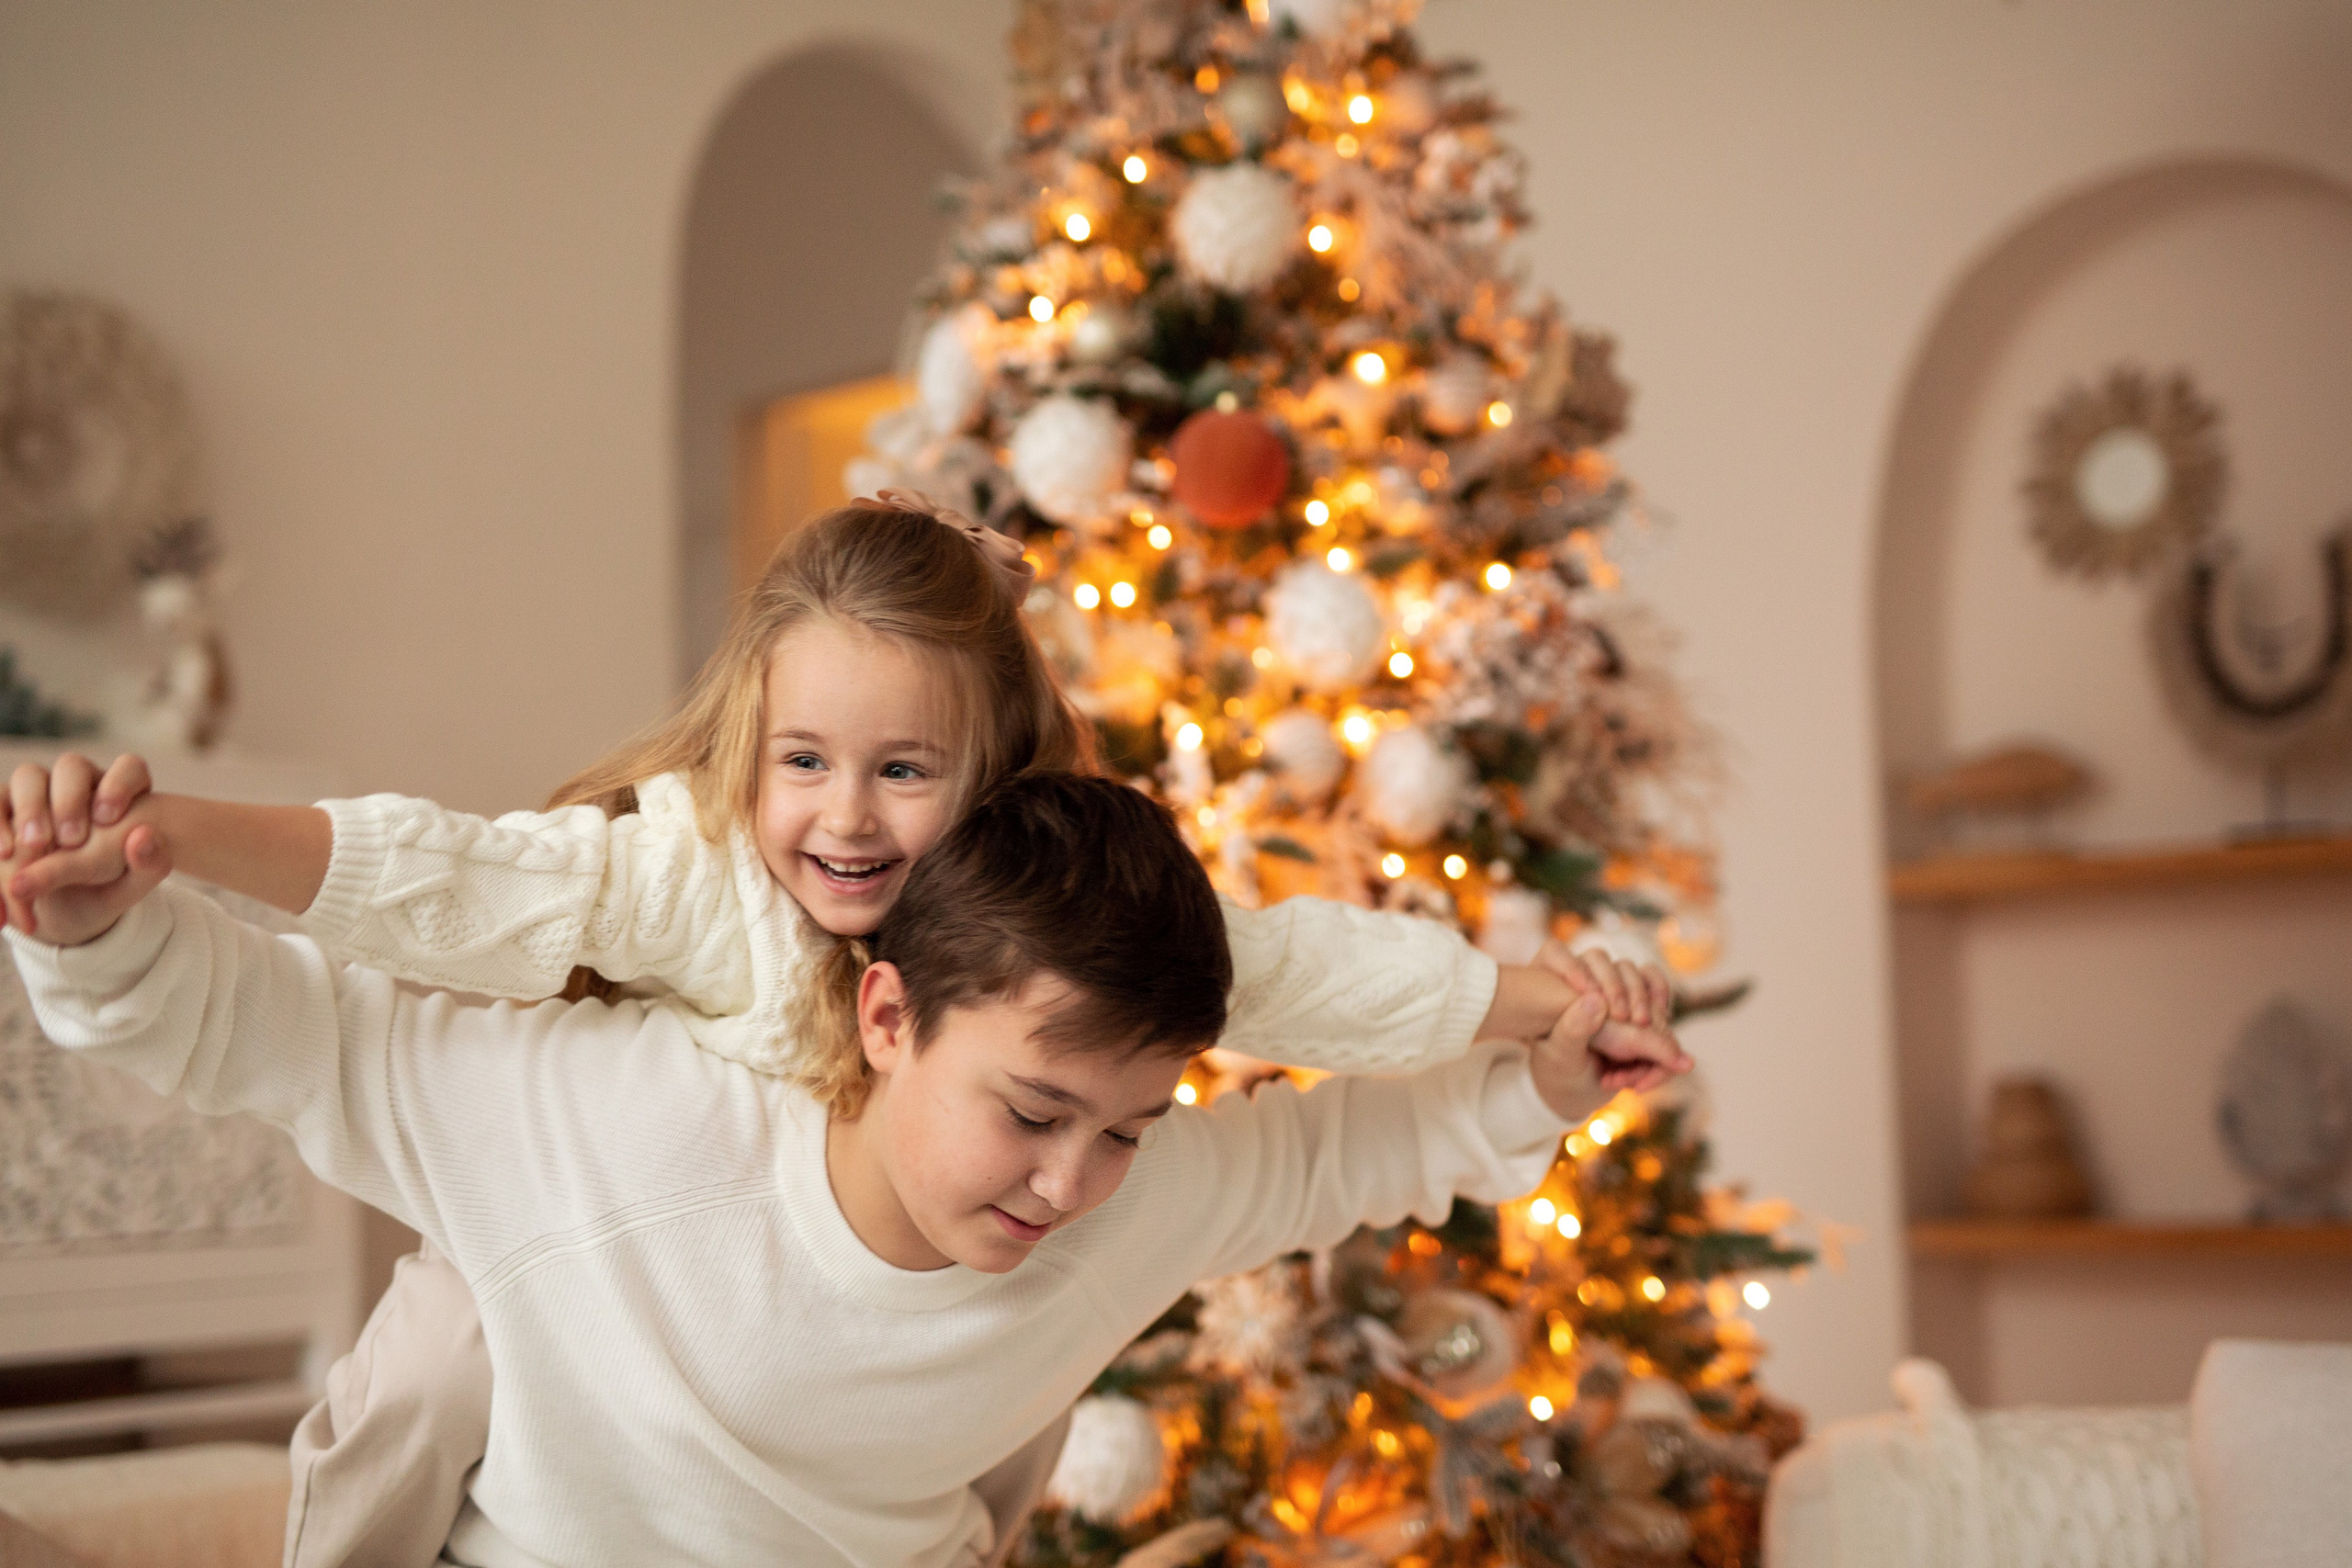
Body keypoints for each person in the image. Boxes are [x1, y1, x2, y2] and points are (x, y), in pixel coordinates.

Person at [0, 497, 1668, 1565]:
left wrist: (1540, 1048)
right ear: (886, 1012)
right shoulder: (646, 998)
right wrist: (133, 888)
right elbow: (329, 979)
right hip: (539, 1370)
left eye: (1121, 1130)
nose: (1074, 1179)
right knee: (447, 1346)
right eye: (1029, 1115)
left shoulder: (1086, 1044)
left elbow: (1321, 1119)